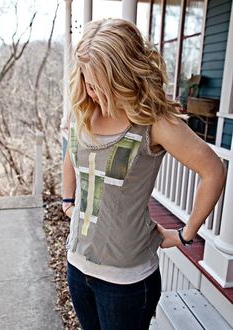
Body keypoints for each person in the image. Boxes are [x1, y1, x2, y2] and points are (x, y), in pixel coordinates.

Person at [62, 18, 226, 330]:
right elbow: (71, 151)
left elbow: (214, 171)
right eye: (86, 81)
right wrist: (67, 201)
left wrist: (185, 234)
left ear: (123, 76)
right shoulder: (84, 109)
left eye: (99, 84)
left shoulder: (155, 123)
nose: (90, 91)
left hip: (125, 282)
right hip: (77, 266)